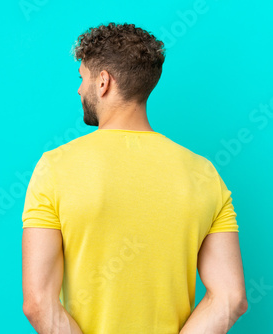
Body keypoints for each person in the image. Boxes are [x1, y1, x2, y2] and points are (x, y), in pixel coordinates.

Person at [21, 22, 247, 334]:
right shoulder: (204, 173)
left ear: (103, 82)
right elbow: (231, 298)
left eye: (82, 78)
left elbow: (38, 302)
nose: (79, 90)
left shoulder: (55, 167)